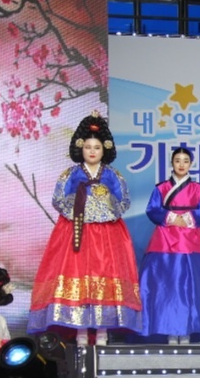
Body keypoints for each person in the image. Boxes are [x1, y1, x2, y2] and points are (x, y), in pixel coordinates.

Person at [28, 112, 142, 345]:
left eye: (97, 148)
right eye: (88, 147)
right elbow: (58, 199)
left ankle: (102, 331)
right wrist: (80, 207)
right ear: (80, 148)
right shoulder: (71, 174)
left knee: (105, 275)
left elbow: (124, 201)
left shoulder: (112, 175)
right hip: (75, 229)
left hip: (107, 232)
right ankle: (80, 330)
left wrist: (104, 202)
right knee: (77, 274)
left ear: (104, 150)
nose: (92, 151)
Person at [138, 146, 200, 344]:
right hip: (165, 237)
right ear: (172, 163)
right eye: (177, 161)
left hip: (191, 238)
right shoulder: (161, 188)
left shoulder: (198, 189)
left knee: (192, 286)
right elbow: (152, 210)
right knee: (166, 285)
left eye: (185, 161)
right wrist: (172, 217)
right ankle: (169, 330)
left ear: (191, 164)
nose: (181, 165)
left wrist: (188, 218)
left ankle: (188, 329)